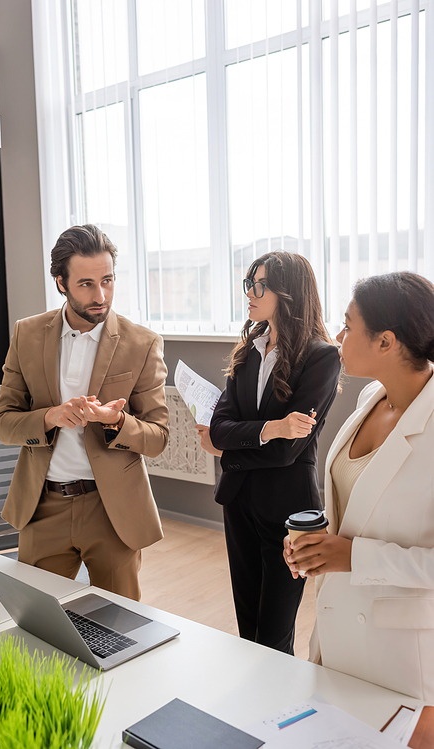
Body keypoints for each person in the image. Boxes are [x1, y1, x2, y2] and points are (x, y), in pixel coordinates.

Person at [0, 224, 169, 601]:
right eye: (86, 284)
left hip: (113, 512)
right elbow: (3, 424)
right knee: (36, 625)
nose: (100, 295)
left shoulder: (143, 344)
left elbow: (158, 439)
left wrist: (116, 422)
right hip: (43, 508)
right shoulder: (26, 335)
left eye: (107, 280)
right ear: (61, 283)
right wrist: (49, 417)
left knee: (120, 627)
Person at [284, 271, 434, 701]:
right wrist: (315, 546)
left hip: (402, 656)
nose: (337, 336)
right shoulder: (371, 397)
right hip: (336, 628)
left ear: (386, 341)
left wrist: (354, 557)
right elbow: (360, 508)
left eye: (348, 326)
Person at [198, 251, 340, 654]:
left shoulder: (322, 357)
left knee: (274, 636)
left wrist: (230, 452)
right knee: (248, 626)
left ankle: (282, 713)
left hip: (288, 511)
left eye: (259, 285)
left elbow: (287, 451)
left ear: (288, 292)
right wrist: (271, 428)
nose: (250, 293)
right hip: (239, 501)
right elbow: (221, 426)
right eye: (249, 283)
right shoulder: (247, 350)